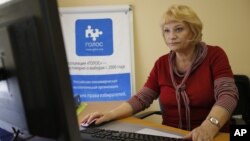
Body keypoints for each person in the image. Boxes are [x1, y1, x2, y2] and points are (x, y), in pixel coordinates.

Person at [81, 4, 239, 141]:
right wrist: (109, 115)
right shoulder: (161, 63)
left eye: (179, 29)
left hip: (212, 135)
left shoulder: (215, 55)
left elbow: (228, 95)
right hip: (171, 135)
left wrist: (209, 127)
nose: (172, 36)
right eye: (166, 31)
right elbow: (142, 98)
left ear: (194, 31)